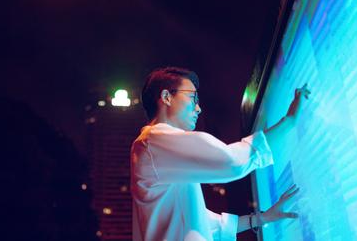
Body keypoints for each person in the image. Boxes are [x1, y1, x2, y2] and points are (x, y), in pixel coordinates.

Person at [131, 67, 310, 240]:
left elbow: (205, 224)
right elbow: (231, 161)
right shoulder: (153, 140)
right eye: (193, 98)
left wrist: (261, 218)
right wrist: (288, 122)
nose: (198, 108)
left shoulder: (156, 150)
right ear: (166, 97)